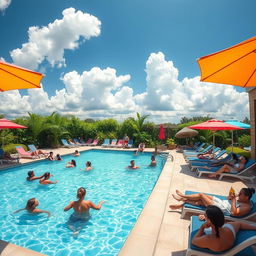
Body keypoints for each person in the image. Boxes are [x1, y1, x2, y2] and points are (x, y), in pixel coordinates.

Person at [192, 205, 256, 252]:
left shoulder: (209, 239)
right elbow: (239, 224)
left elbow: (194, 241)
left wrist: (202, 227)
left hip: (217, 243)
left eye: (205, 215)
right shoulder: (229, 229)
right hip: (227, 236)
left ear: (209, 221)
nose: (204, 216)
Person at [169, 187, 255, 216]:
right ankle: (182, 202)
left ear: (247, 197)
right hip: (221, 202)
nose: (238, 195)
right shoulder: (241, 198)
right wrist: (230, 196)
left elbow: (234, 213)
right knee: (200, 201)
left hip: (221, 208)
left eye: (240, 194)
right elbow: (228, 198)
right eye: (239, 193)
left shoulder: (246, 207)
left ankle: (181, 196)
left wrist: (233, 200)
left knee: (201, 195)